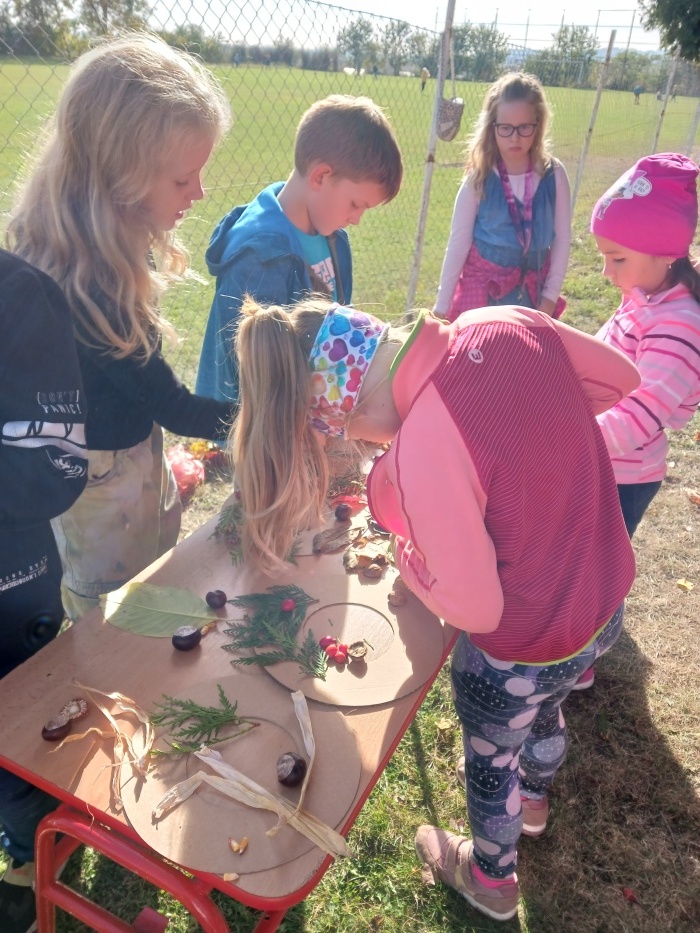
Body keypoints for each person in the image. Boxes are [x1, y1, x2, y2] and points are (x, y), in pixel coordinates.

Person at [230, 296, 639, 922]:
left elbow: (476, 609)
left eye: (349, 435)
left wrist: (414, 563)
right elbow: (619, 380)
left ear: (352, 410)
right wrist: (535, 441)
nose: (366, 445)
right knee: (548, 707)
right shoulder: (500, 321)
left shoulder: (422, 444)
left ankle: (490, 878)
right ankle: (534, 799)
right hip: (603, 596)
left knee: (492, 759)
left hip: (521, 648)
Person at [6, 33, 235, 623]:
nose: (199, 192)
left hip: (128, 458)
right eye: (183, 180)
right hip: (101, 486)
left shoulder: (99, 241)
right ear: (120, 176)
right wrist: (263, 421)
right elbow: (172, 404)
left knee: (151, 585)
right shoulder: (88, 289)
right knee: (115, 617)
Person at [195, 94, 403, 403]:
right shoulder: (259, 258)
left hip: (310, 413)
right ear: (321, 176)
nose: (356, 219)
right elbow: (250, 378)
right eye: (355, 204)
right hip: (260, 423)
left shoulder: (335, 240)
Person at [0, 250, 88, 932]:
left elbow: (57, 466)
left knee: (19, 739)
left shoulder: (20, 296)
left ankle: (39, 858)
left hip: (11, 588)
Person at [591, 152, 700, 538]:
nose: (606, 271)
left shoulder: (677, 327)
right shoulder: (646, 297)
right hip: (599, 458)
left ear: (666, 253)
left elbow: (634, 420)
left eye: (617, 258)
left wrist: (561, 435)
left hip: (618, 476)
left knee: (595, 570)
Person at [434, 72, 571, 321]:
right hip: (482, 298)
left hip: (534, 298)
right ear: (492, 127)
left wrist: (549, 298)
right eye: (506, 128)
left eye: (524, 127)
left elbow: (562, 238)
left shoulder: (554, 174)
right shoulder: (479, 177)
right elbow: (458, 244)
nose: (515, 138)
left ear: (538, 124)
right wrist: (441, 309)